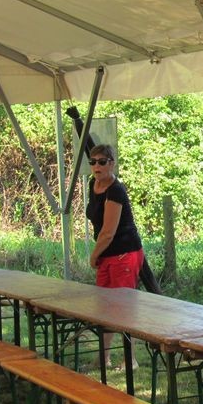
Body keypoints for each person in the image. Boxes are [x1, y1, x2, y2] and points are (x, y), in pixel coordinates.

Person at [85, 143, 144, 369]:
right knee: (104, 307)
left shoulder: (116, 190)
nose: (96, 166)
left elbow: (108, 231)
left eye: (101, 162)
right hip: (107, 256)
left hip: (124, 254)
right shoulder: (93, 184)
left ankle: (131, 359)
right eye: (93, 162)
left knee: (123, 307)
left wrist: (93, 255)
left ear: (112, 163)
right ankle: (104, 357)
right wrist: (100, 254)